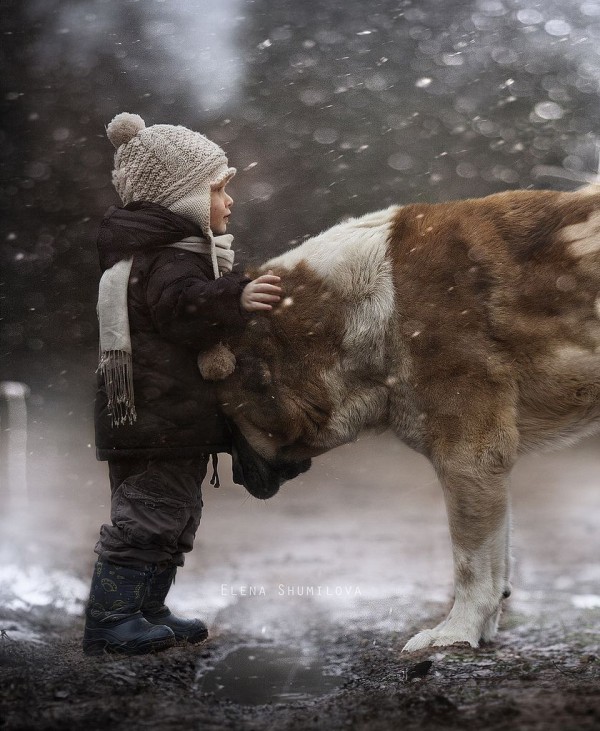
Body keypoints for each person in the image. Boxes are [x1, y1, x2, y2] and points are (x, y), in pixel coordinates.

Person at [83, 112, 282, 656]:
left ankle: (146, 610)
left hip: (166, 420)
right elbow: (182, 313)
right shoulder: (168, 262)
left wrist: (229, 293)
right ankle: (111, 619)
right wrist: (233, 298)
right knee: (148, 516)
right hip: (155, 420)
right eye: (218, 189)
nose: (229, 201)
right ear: (183, 199)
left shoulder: (172, 257)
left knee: (173, 516)